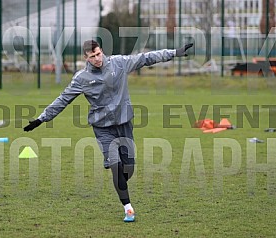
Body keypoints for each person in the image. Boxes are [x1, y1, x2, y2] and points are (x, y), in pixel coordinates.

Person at [24, 40, 193, 222]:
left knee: (128, 169)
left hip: (124, 124)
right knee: (115, 165)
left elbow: (146, 58)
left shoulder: (119, 63)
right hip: (102, 128)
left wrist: (175, 52)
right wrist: (42, 118)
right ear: (85, 58)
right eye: (92, 57)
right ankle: (128, 208)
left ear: (101, 51)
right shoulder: (82, 78)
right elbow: (62, 100)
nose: (97, 59)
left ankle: (120, 183)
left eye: (98, 54)